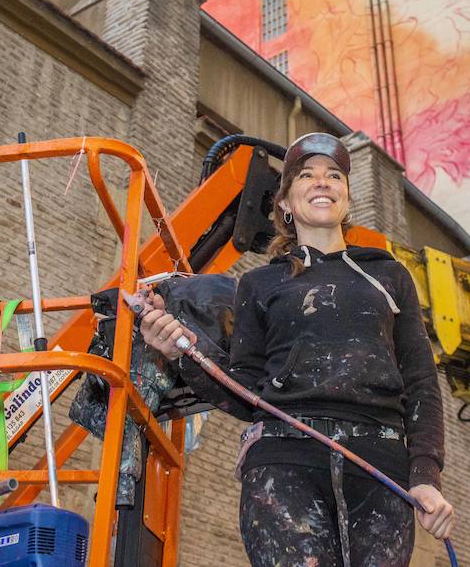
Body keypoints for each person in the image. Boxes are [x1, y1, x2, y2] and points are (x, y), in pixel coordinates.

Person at [139, 132, 454, 567]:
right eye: (307, 175)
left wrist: (426, 475)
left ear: (346, 197)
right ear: (285, 203)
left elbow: (421, 383)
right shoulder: (260, 284)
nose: (323, 182)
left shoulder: (389, 276)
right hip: (285, 460)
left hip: (379, 464)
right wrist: (182, 354)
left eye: (334, 176)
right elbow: (245, 391)